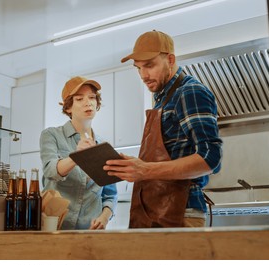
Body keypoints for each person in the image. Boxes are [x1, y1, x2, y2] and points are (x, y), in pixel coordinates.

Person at [104, 30, 223, 228]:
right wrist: (133, 167)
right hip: (155, 213)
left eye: (149, 65)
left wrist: (145, 169)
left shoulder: (189, 91)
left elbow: (211, 158)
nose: (143, 75)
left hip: (180, 213)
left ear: (170, 59)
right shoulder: (162, 99)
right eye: (138, 68)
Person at [40, 76, 118, 230]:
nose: (88, 102)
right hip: (56, 227)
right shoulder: (51, 135)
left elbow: (110, 194)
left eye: (92, 98)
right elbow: (50, 171)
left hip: (90, 230)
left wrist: (104, 218)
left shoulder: (103, 146)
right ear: (68, 107)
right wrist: (77, 157)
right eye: (79, 99)